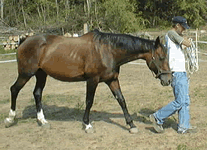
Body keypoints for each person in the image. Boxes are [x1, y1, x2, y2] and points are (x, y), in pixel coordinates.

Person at [150, 16, 197, 134]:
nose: (184, 30)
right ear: (176, 25)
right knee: (180, 101)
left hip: (181, 71)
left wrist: (187, 41)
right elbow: (186, 42)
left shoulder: (173, 38)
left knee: (185, 100)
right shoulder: (171, 33)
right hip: (176, 71)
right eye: (182, 27)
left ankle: (184, 126)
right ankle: (157, 117)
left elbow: (184, 45)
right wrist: (188, 41)